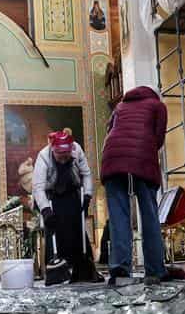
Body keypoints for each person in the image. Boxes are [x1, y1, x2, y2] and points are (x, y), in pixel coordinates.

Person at [101, 86, 167, 284]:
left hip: (111, 157)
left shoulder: (120, 106)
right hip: (141, 155)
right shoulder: (157, 105)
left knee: (118, 216)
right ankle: (155, 270)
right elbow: (159, 138)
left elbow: (109, 129)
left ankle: (120, 269)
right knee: (149, 213)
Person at [33, 129, 95, 281]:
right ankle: (56, 268)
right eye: (59, 155)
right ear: (53, 150)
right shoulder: (43, 156)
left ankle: (80, 267)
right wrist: (46, 211)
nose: (63, 158)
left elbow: (86, 174)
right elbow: (38, 188)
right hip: (51, 196)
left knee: (76, 228)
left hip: (71, 191)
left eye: (65, 155)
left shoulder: (76, 149)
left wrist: (87, 194)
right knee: (54, 230)